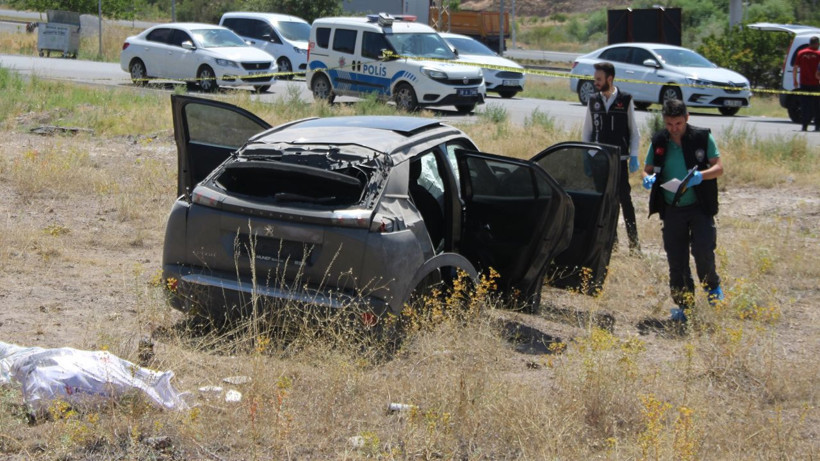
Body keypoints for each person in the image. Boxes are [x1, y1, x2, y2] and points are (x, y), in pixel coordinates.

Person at [642, 99, 725, 324]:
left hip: (699, 206)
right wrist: (648, 178)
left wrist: (701, 176)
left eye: (678, 123)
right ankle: (684, 305)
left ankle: (713, 290)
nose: (674, 128)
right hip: (672, 208)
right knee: (676, 260)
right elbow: (647, 169)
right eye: (669, 124)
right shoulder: (659, 140)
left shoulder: (702, 137)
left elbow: (719, 167)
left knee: (703, 250)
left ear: (687, 118)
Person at [582, 62, 641, 252]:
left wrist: (634, 156)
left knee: (625, 200)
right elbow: (587, 130)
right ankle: (612, 243)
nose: (596, 83)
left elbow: (634, 132)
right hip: (599, 160)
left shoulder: (625, 99)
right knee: (605, 202)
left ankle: (634, 243)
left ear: (610, 78)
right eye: (595, 79)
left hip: (620, 160)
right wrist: (587, 155)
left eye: (599, 79)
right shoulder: (593, 100)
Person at [793, 35, 820, 131]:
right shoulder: (818, 54)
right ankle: (817, 126)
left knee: (805, 105)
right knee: (817, 106)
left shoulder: (801, 53)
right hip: (816, 84)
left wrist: (795, 80)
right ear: (817, 44)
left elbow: (795, 67)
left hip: (804, 83)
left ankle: (804, 126)